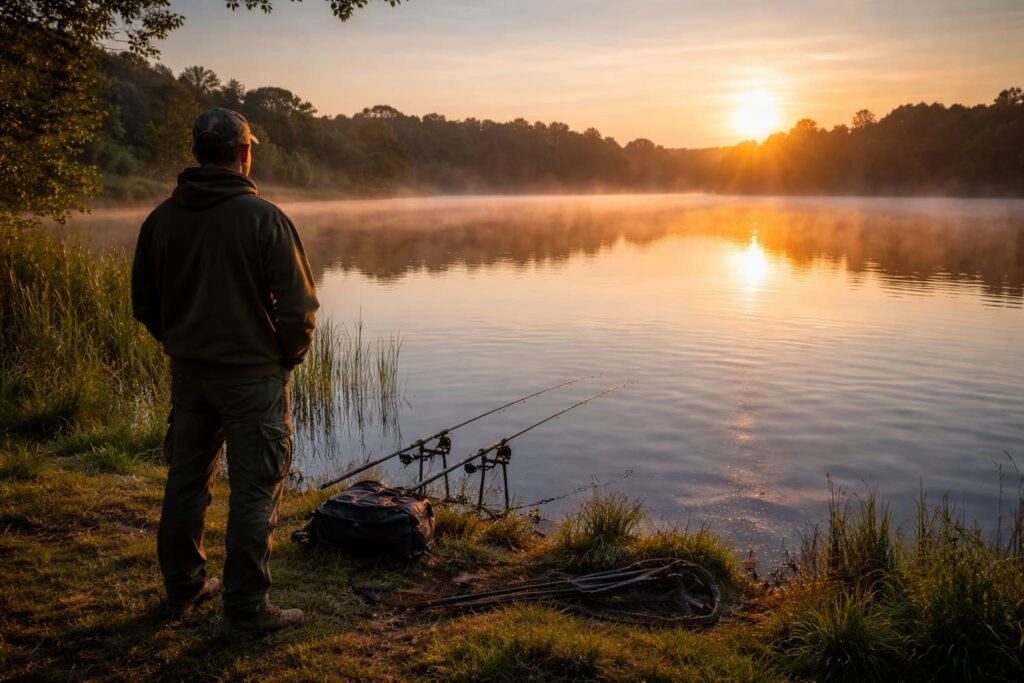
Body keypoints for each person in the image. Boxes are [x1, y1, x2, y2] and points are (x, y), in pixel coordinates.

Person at [131, 108, 319, 642]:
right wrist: (284, 357)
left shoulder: (160, 220)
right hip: (252, 377)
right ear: (244, 154)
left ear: (196, 154)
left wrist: (178, 341)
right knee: (255, 490)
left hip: (189, 374)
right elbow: (299, 309)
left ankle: (183, 589)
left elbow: (144, 302)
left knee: (186, 480)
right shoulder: (263, 218)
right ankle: (245, 610)